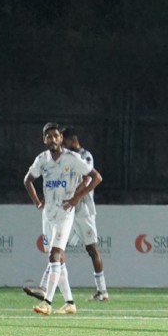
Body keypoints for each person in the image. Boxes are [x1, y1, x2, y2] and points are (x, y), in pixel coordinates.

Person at [22, 122, 101, 316]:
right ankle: (70, 303)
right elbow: (27, 180)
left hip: (65, 213)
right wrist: (37, 202)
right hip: (48, 214)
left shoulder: (72, 158)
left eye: (55, 136)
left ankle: (47, 301)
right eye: (48, 136)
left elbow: (96, 177)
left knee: (54, 255)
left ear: (61, 138)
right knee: (58, 260)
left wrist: (76, 197)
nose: (52, 139)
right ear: (44, 140)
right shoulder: (42, 159)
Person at [61, 127, 109, 301]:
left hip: (83, 210)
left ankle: (102, 291)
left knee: (92, 249)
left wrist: (75, 197)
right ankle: (48, 287)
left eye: (65, 143)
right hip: (69, 208)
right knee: (57, 246)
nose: (63, 146)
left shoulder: (85, 156)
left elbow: (88, 179)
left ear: (73, 141)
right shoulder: (67, 158)